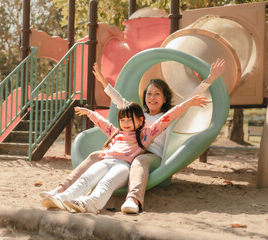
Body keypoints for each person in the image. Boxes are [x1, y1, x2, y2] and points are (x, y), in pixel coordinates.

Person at [41, 58, 226, 214]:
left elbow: (183, 104)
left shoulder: (165, 117)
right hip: (124, 153)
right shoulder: (137, 116)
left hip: (151, 154)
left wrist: (209, 79)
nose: (152, 97)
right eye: (149, 94)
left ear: (165, 98)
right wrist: (103, 82)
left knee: (139, 161)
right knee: (96, 156)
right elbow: (119, 101)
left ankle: (134, 200)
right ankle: (61, 191)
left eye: (157, 94)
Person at [43, 96, 210, 214]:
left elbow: (166, 118)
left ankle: (91, 203)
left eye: (129, 120)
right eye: (123, 120)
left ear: (140, 120)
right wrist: (89, 113)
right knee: (87, 178)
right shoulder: (115, 133)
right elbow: (103, 123)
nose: (125, 123)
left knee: (106, 183)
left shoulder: (145, 134)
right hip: (107, 161)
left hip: (123, 167)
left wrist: (187, 103)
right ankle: (63, 196)